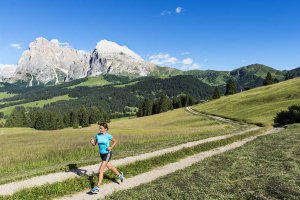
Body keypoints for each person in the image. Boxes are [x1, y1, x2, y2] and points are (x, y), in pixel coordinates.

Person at [90, 122, 124, 194]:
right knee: (109, 166)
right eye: (99, 128)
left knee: (100, 170)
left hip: (107, 153)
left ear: (105, 129)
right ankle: (120, 175)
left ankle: (97, 187)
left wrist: (110, 147)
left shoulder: (108, 136)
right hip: (102, 154)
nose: (100, 129)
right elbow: (94, 144)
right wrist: (92, 142)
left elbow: (115, 141)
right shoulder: (97, 135)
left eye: (101, 128)